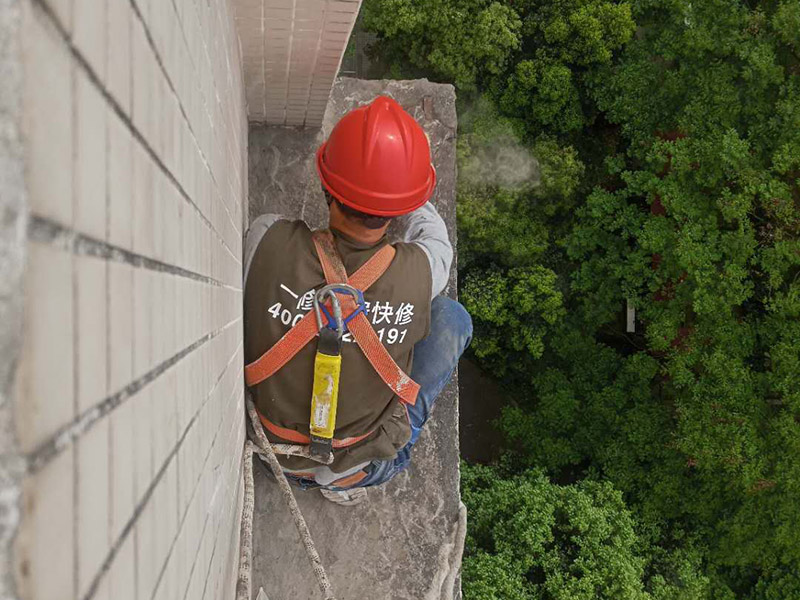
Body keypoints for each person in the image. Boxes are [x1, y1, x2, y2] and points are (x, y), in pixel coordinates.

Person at [242, 96, 472, 505]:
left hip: (272, 447)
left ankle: (317, 472)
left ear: (327, 184)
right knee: (451, 319)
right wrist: (399, 183)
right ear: (401, 207)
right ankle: (342, 481)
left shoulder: (266, 239)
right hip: (357, 460)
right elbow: (435, 237)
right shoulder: (424, 271)